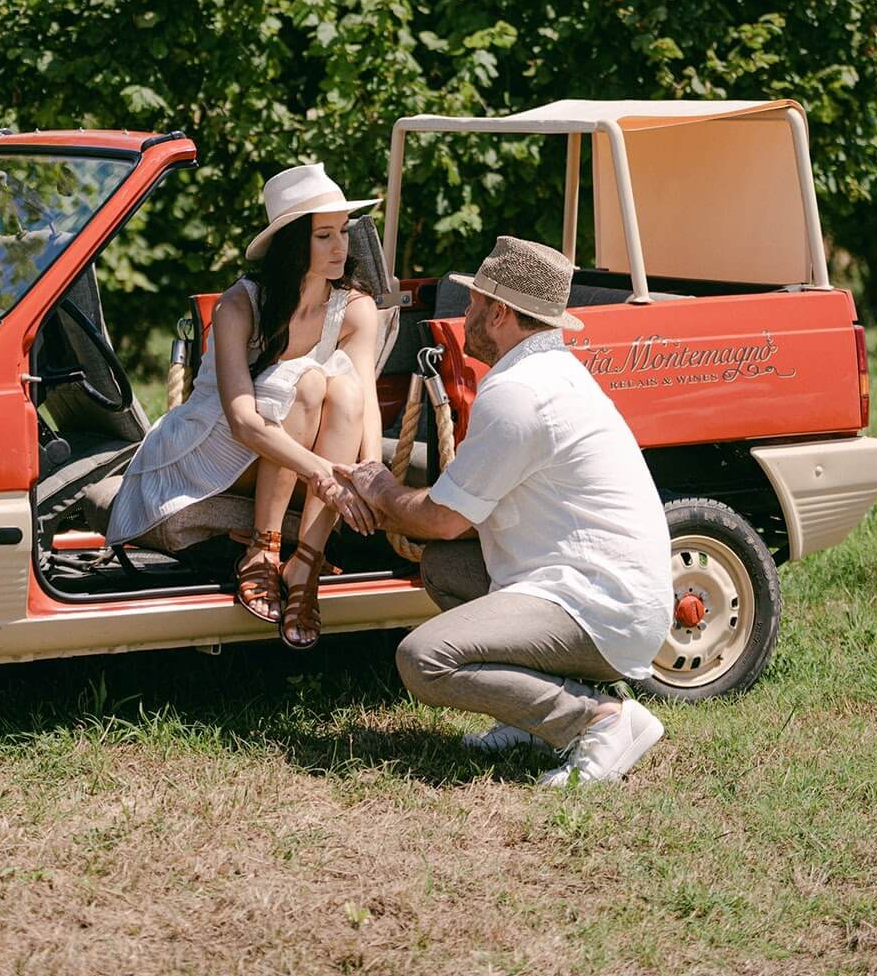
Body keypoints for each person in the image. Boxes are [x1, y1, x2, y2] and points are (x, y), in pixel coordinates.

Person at [321, 235, 674, 785]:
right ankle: (532, 718)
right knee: (445, 567)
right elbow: (455, 522)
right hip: (606, 590)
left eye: (475, 303)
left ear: (502, 313)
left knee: (424, 659)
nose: (465, 315)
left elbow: (442, 518)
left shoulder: (520, 393)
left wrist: (379, 491)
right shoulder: (550, 373)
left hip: (600, 606)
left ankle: (599, 719)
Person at [107, 163, 383, 649]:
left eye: (343, 231)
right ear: (294, 242)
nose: (341, 246)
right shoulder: (241, 304)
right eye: (324, 235)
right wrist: (324, 475)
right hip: (213, 448)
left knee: (343, 390)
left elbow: (366, 400)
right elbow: (242, 422)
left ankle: (304, 567)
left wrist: (373, 472)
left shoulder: (354, 308)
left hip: (296, 456)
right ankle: (263, 547)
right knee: (310, 381)